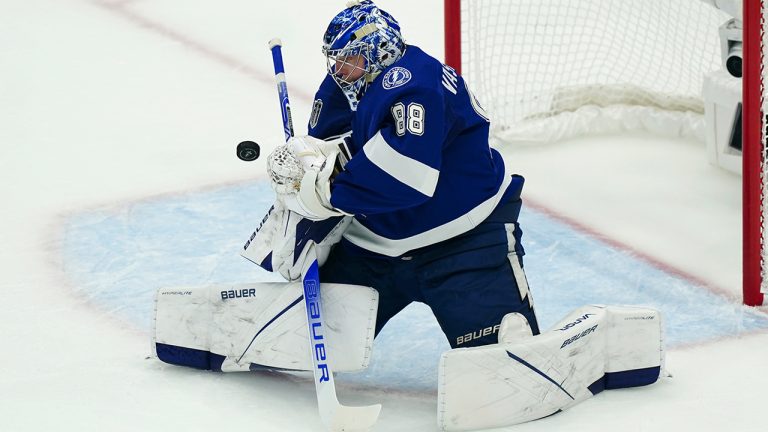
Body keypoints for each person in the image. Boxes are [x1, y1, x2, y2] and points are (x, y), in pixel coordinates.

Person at [265, 0, 539, 349]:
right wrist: (304, 168)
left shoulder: (414, 85)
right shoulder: (349, 81)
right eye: (335, 59)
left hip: (462, 243)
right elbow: (330, 144)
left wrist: (329, 195)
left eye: (349, 58)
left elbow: (408, 176)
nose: (339, 69)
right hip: (372, 249)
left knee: (503, 365)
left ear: (378, 51)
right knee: (299, 345)